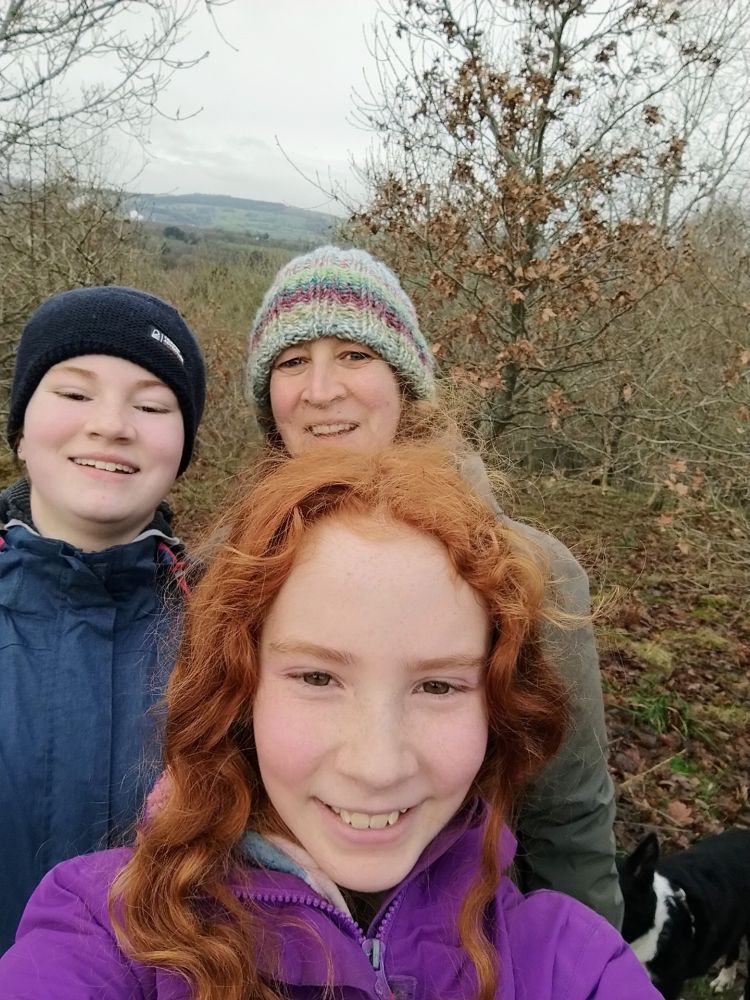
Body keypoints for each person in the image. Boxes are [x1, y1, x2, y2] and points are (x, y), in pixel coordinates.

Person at [0, 446, 659, 999]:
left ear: (499, 706)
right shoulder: (104, 929)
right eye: (318, 678)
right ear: (238, 689)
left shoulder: (570, 965)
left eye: (437, 685)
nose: (377, 766)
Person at [243, 244, 623, 926]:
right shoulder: (231, 565)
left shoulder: (530, 573)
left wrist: (584, 960)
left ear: (405, 382)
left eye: (354, 355)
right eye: (293, 361)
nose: (320, 389)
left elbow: (568, 817)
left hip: (469, 942)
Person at [0, 284, 206, 953]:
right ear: (20, 431)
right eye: (74, 393)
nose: (112, 424)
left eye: (150, 405)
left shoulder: (230, 631)